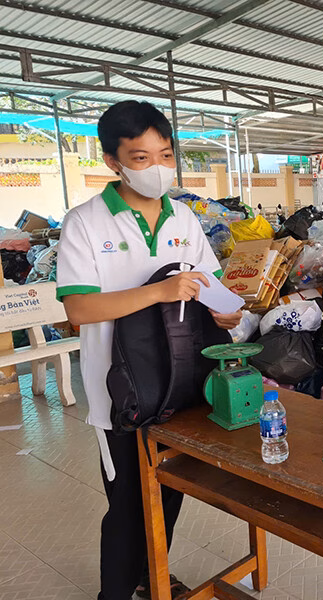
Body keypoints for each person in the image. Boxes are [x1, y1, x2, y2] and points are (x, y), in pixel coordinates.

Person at [55, 100, 243, 600]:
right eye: (140, 158)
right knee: (129, 505)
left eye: (164, 154)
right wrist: (159, 290)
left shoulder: (184, 216)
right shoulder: (87, 223)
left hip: (181, 382)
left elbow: (209, 289)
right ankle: (115, 592)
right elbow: (79, 310)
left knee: (169, 489)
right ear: (113, 161)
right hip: (121, 392)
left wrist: (226, 312)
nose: (157, 168)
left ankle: (149, 574)